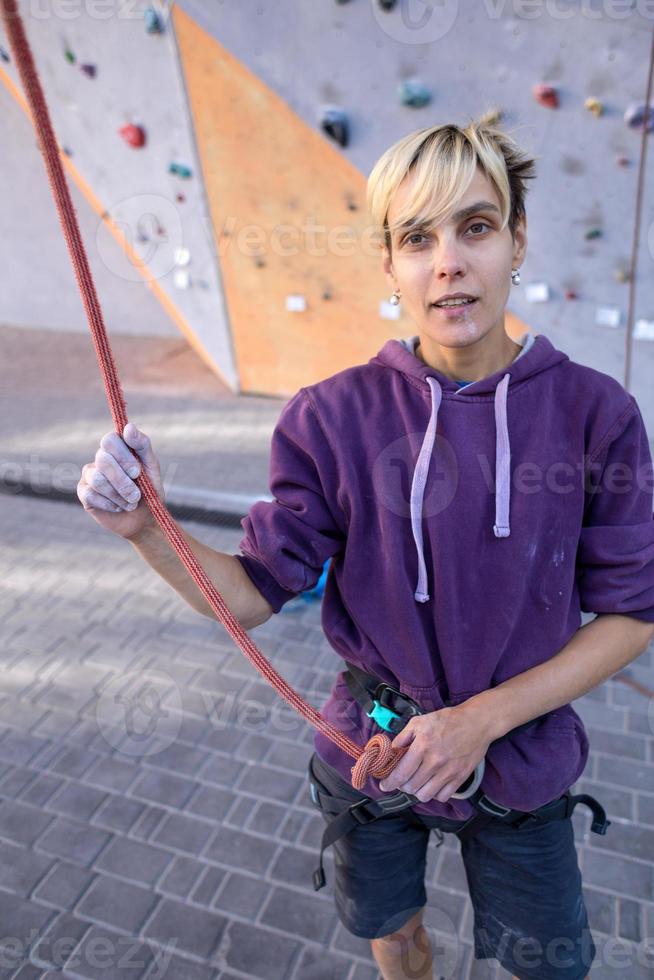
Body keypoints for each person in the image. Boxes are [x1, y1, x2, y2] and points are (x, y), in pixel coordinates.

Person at [77, 119, 654, 980]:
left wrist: (481, 721)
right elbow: (248, 597)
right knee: (394, 935)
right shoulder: (331, 417)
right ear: (390, 265)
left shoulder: (595, 413)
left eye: (477, 226)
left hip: (523, 754)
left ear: (518, 240)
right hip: (372, 752)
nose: (448, 262)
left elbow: (632, 612)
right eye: (417, 238)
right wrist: (147, 530)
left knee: (552, 962)